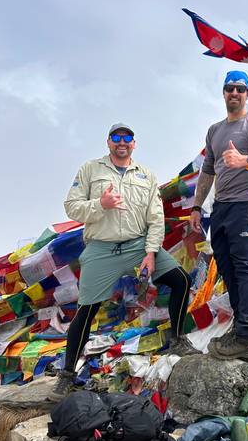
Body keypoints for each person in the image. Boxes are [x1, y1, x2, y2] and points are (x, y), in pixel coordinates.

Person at [49, 123, 194, 401]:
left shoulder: (146, 176)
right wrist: (100, 205)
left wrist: (151, 252)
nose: (122, 142)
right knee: (86, 310)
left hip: (138, 245)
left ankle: (177, 341)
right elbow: (71, 206)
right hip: (101, 248)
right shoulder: (91, 169)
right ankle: (67, 376)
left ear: (134, 144)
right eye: (117, 137)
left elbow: (155, 218)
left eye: (127, 138)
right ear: (108, 142)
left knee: (181, 281)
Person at [189, 71, 248, 360]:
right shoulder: (215, 131)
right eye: (230, 88)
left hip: (246, 205)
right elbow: (207, 171)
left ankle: (246, 335)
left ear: (246, 94)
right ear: (223, 92)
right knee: (228, 270)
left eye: (240, 89)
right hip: (221, 208)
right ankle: (241, 331)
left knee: (245, 269)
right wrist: (196, 206)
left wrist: (246, 161)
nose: (235, 93)